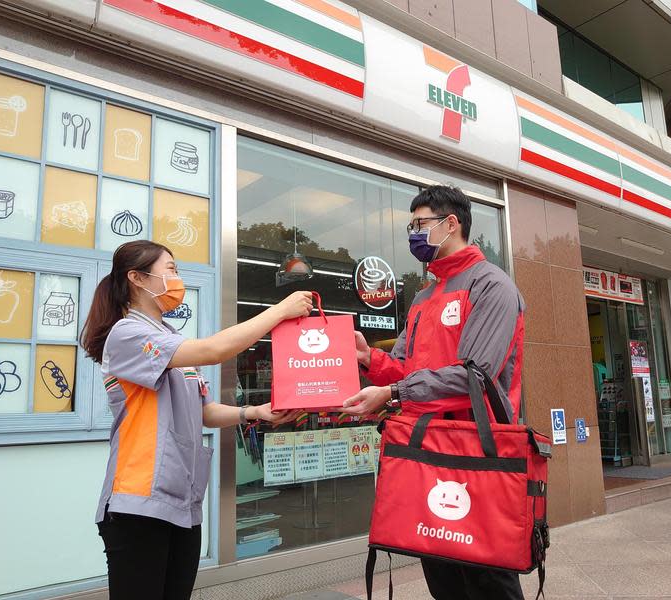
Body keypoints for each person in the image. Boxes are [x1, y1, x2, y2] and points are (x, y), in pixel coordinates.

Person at [80, 240, 312, 600]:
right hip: (138, 499)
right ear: (138, 278)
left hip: (182, 500)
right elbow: (214, 350)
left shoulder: (169, 339)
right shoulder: (126, 334)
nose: (177, 278)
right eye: (170, 269)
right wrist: (279, 311)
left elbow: (204, 411)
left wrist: (253, 412)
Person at [342, 185, 526, 600]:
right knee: (442, 577)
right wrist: (369, 358)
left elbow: (473, 378)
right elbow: (409, 370)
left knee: (487, 579)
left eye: (419, 224)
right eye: (411, 226)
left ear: (451, 224)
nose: (413, 234)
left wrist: (393, 393)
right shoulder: (424, 298)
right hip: (427, 453)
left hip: (478, 456)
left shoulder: (492, 285)